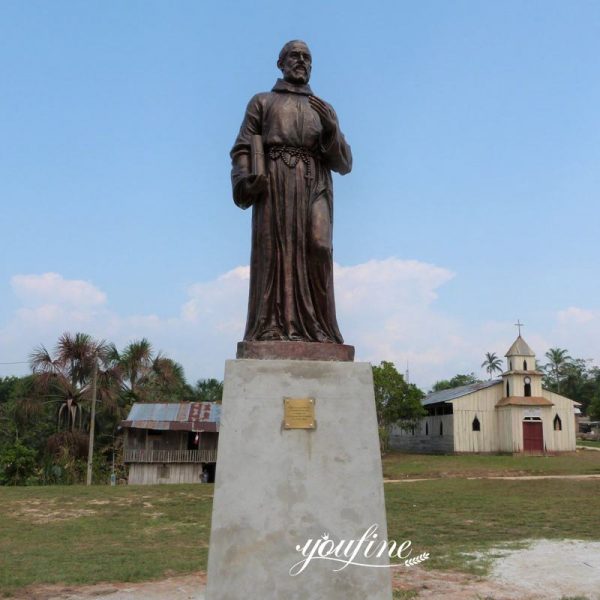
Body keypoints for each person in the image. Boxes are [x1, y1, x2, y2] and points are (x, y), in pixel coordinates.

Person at [231, 40, 352, 344]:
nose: (301, 61)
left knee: (319, 246)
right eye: (294, 56)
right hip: (276, 183)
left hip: (314, 183)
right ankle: (271, 327)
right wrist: (247, 180)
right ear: (281, 63)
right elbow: (243, 148)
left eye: (307, 57)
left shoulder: (323, 108)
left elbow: (345, 163)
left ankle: (320, 329)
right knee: (275, 252)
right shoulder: (262, 101)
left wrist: (332, 128)